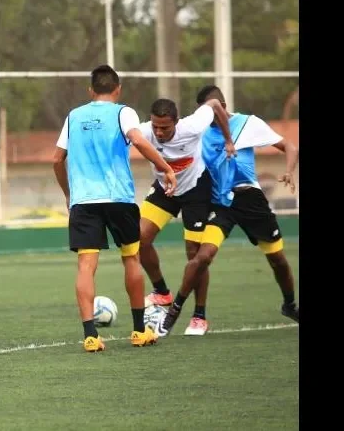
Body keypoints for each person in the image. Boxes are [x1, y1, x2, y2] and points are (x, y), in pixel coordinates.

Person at [156, 85, 300, 336]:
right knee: (203, 256)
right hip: (220, 205)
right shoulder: (199, 133)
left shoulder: (247, 124)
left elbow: (290, 146)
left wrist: (289, 171)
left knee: (277, 260)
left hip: (251, 201)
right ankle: (175, 309)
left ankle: (289, 305)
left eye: (213, 111)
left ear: (221, 108)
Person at [53, 64, 177, 353]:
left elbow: (57, 159)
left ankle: (90, 336)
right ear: (118, 89)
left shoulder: (74, 116)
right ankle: (138, 331)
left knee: (86, 265)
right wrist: (165, 167)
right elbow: (138, 140)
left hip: (84, 201)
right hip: (119, 198)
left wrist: (69, 194)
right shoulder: (124, 112)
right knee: (131, 259)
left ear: (90, 91)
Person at [138, 96, 235, 336]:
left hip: (195, 191)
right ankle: (161, 292)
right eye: (155, 127)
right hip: (164, 191)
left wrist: (228, 138)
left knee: (195, 255)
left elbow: (213, 103)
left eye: (165, 128)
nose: (159, 133)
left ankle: (199, 315)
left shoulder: (192, 126)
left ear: (177, 122)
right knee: (138, 239)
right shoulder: (142, 132)